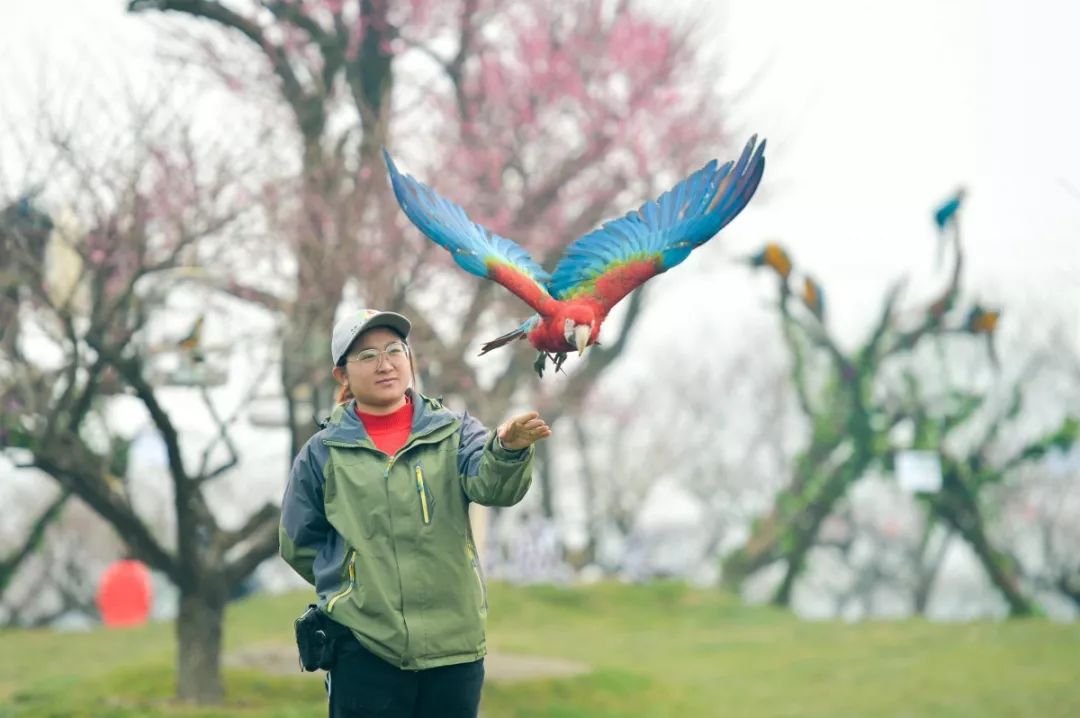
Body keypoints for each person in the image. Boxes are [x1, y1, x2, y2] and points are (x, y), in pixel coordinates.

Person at [279, 308, 550, 718]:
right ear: (343, 376)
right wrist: (353, 588)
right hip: (364, 649)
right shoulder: (322, 453)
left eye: (394, 350)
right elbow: (298, 542)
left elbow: (493, 487)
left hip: (454, 649)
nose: (384, 364)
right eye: (367, 356)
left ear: (410, 359)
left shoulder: (454, 431)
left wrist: (507, 450)